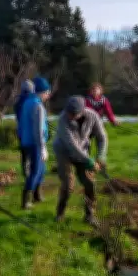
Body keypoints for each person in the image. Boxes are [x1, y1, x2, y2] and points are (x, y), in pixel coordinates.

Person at [53, 95, 108, 226]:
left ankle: (89, 215)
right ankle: (60, 214)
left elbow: (102, 137)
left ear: (82, 111)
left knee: (90, 182)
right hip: (64, 152)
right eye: (68, 112)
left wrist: (101, 156)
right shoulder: (63, 119)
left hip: (83, 151)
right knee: (68, 184)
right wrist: (89, 160)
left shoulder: (92, 116)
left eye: (73, 114)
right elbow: (71, 145)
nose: (69, 116)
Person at [18, 76, 51, 209]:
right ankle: (26, 200)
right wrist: (42, 147)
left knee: (42, 169)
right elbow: (38, 128)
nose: (48, 95)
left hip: (26, 141)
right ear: (42, 92)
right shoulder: (38, 106)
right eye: (47, 92)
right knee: (36, 170)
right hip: (35, 143)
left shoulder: (27, 102)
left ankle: (37, 195)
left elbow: (21, 123)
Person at [14, 79, 35, 178]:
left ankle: (26, 173)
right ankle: (31, 174)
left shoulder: (18, 102)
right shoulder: (32, 101)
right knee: (33, 153)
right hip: (31, 131)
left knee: (24, 154)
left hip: (21, 131)